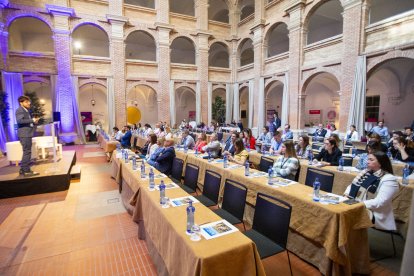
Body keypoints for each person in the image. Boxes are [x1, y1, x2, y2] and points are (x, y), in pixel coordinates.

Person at [344, 152, 399, 230]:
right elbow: (352, 185)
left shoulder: (389, 179)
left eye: (371, 160)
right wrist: (346, 196)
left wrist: (358, 204)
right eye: (368, 159)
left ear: (380, 163)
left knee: (344, 214)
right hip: (359, 204)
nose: (367, 161)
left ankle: (351, 240)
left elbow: (380, 202)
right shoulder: (365, 172)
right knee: (337, 209)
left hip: (375, 212)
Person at [16, 95, 39, 176]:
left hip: (26, 133)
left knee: (27, 151)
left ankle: (23, 170)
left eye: (28, 101)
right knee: (27, 152)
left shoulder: (25, 110)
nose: (29, 103)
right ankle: (26, 171)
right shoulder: (20, 110)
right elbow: (20, 121)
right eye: (26, 102)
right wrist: (32, 120)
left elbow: (26, 121)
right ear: (21, 103)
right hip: (24, 134)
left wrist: (33, 122)